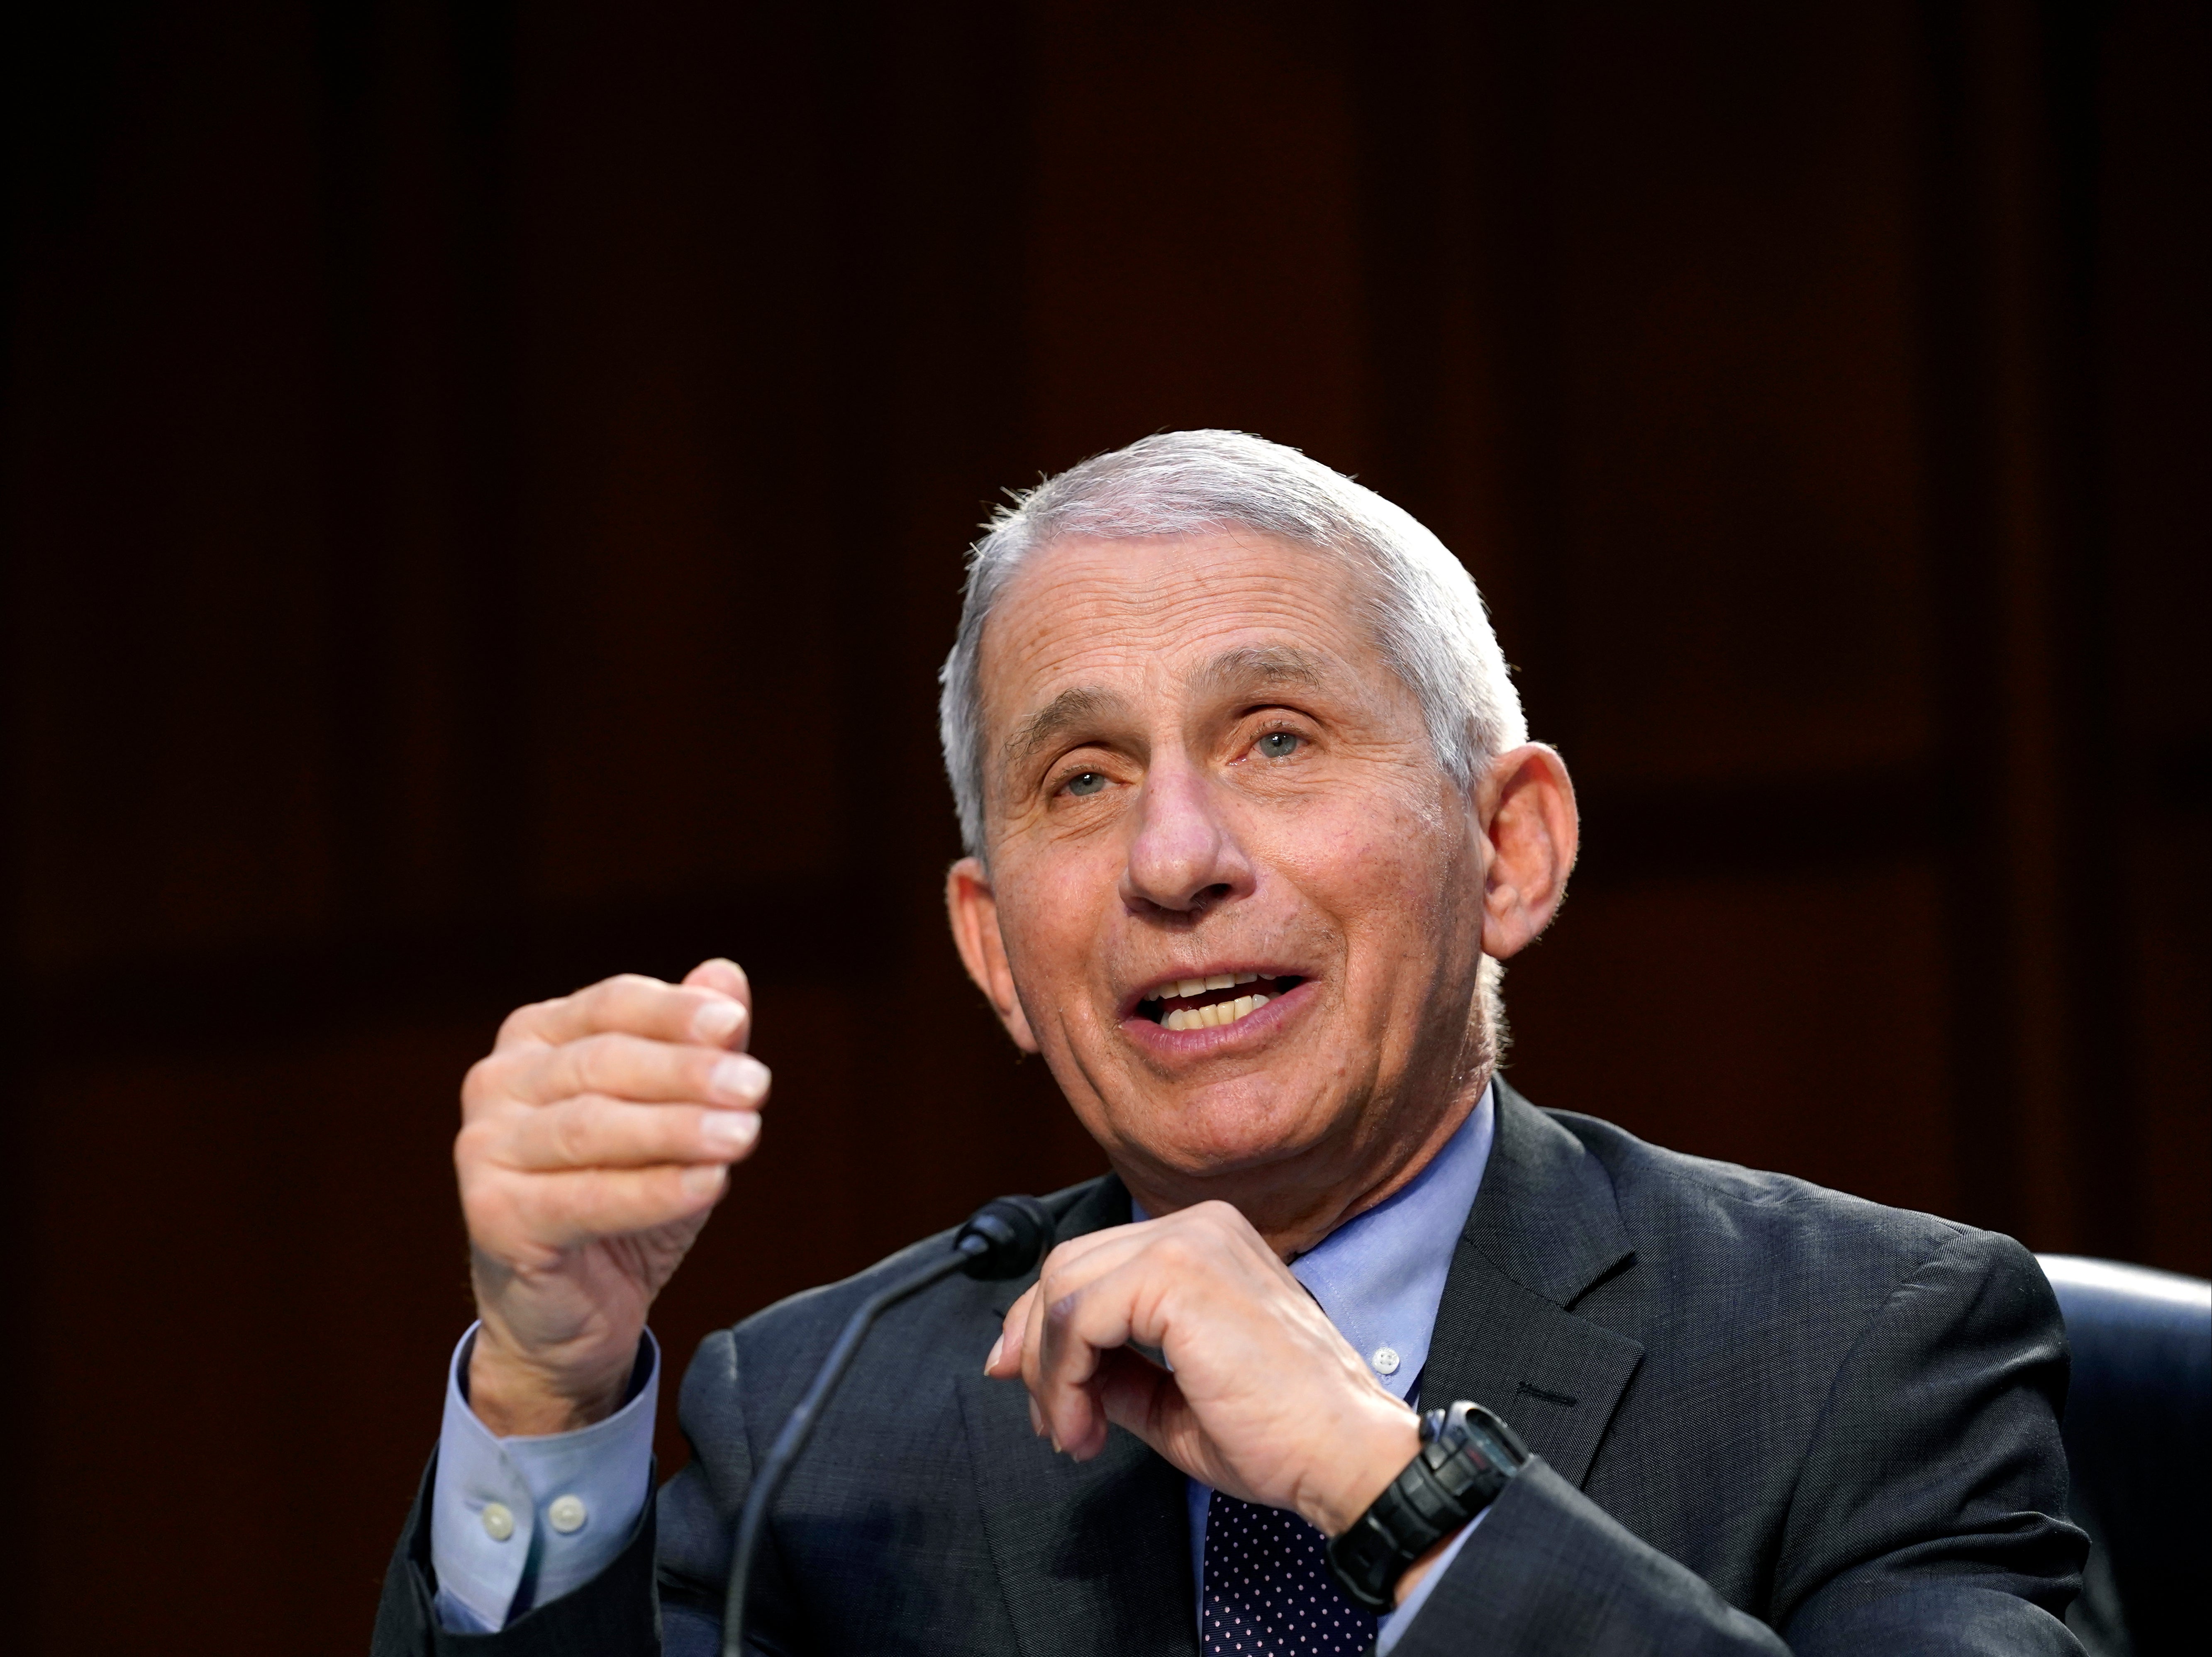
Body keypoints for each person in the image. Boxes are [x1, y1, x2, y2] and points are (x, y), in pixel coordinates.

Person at [371, 430, 2086, 1655]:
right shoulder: (824, 1427)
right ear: (995, 951)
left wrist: (1386, 1487)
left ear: (1511, 848)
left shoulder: (1866, 1347)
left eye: (1275, 740)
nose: (1176, 860)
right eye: (1084, 780)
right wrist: (547, 1389)